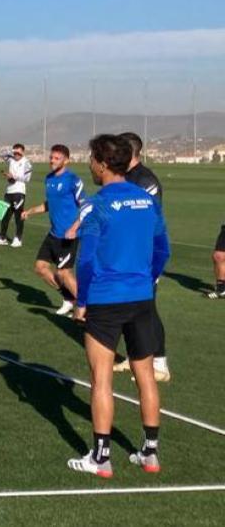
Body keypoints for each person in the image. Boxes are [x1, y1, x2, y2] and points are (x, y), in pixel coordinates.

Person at [67, 134, 169, 479]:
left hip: (106, 299)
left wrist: (82, 301)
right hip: (142, 298)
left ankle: (101, 457)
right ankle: (150, 453)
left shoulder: (96, 204)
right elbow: (163, 250)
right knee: (146, 376)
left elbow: (86, 261)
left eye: (91, 159)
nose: (89, 165)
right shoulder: (147, 201)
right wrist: (145, 279)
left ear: (102, 164)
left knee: (101, 379)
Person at [113, 132, 171, 382]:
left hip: (144, 254)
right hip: (125, 253)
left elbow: (145, 219)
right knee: (130, 308)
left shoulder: (146, 180)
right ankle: (135, 355)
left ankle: (160, 362)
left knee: (147, 308)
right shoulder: (123, 176)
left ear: (130, 152)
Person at [21, 144, 84, 317]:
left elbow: (86, 207)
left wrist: (74, 228)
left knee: (63, 273)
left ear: (66, 160)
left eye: (57, 158)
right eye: (51, 157)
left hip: (69, 236)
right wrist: (30, 211)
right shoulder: (49, 179)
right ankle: (69, 299)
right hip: (54, 234)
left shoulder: (73, 180)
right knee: (40, 268)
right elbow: (50, 204)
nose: (52, 161)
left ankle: (86, 308)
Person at [0, 143, 33, 247]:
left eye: (19, 152)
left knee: (18, 216)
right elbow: (0, 154)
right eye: (15, 152)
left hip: (19, 192)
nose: (16, 154)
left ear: (23, 152)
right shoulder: (11, 159)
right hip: (9, 191)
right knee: (5, 215)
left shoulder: (26, 163)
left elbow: (27, 178)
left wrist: (13, 176)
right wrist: (11, 151)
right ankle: (2, 237)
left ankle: (18, 238)